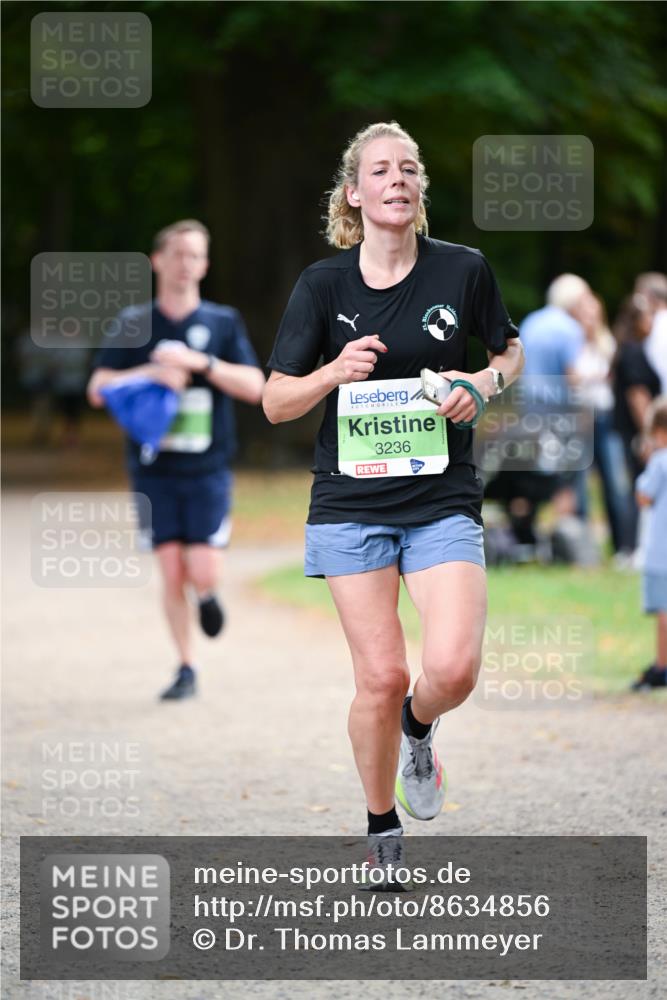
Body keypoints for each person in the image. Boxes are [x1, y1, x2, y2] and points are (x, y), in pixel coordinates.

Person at [263, 122, 524, 881]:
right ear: (355, 193)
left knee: (452, 669)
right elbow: (277, 402)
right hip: (350, 506)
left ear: (419, 190)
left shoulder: (462, 271)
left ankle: (419, 728)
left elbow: (507, 351)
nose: (397, 179)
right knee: (377, 676)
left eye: (409, 168)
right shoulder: (322, 286)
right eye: (380, 170)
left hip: (441, 496)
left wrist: (479, 386)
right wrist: (330, 373)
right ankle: (381, 826)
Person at [87, 220, 265, 700]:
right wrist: (153, 371)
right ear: (157, 261)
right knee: (170, 569)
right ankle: (186, 667)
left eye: (195, 256)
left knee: (201, 568)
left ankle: (207, 595)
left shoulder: (222, 322)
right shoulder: (132, 323)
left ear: (205, 265)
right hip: (152, 468)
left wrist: (200, 363)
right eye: (177, 254)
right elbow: (97, 389)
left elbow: (256, 387)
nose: (185, 264)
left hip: (207, 466)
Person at [571, 293, 634, 557]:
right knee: (580, 486)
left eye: (594, 313)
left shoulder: (607, 343)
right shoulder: (571, 343)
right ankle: (585, 550)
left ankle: (624, 546)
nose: (591, 319)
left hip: (606, 417)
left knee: (616, 482)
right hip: (579, 417)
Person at [613, 292, 661, 553]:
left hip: (632, 430)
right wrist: (648, 434)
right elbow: (637, 396)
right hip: (636, 430)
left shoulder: (630, 348)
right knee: (640, 485)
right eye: (649, 315)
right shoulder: (633, 351)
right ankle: (632, 547)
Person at [631, 397, 667, 690]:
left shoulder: (659, 461)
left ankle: (662, 665)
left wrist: (648, 460)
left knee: (664, 612)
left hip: (661, 553)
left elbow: (644, 497)